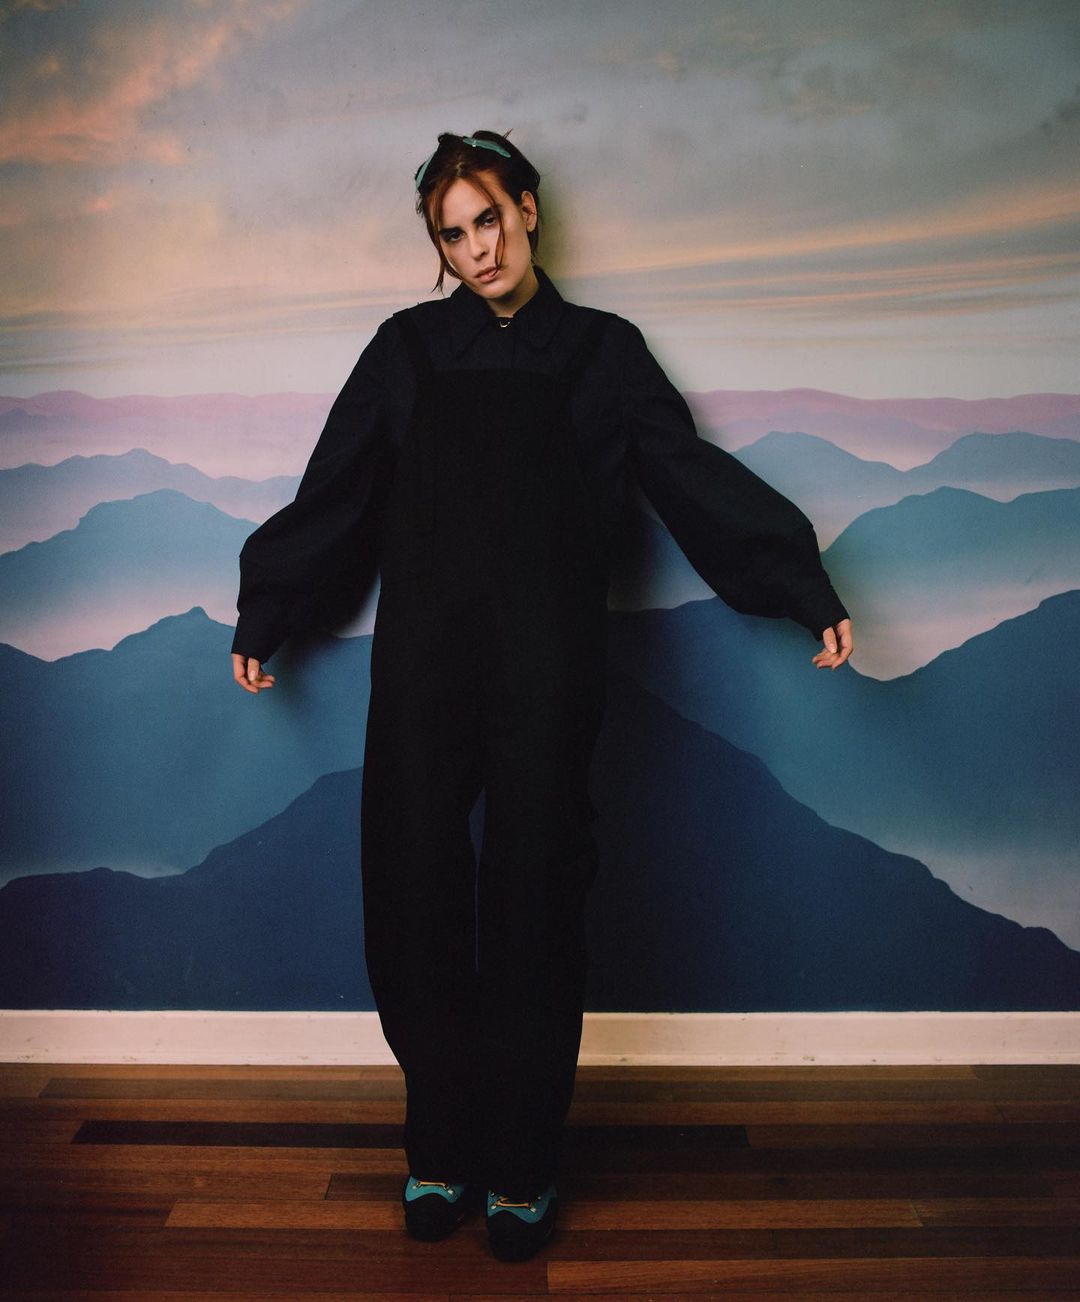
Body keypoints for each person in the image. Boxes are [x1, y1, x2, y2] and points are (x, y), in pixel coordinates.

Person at [230, 129, 854, 1262]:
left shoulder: (604, 352)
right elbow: (340, 489)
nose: (476, 250)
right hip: (423, 667)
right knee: (414, 888)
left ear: (527, 209)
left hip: (549, 667)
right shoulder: (408, 349)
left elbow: (687, 474)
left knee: (535, 899)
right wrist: (270, 607)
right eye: (451, 236)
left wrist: (800, 587)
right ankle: (439, 1146)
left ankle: (522, 1163)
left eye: (488, 220)